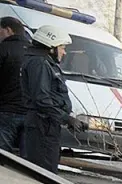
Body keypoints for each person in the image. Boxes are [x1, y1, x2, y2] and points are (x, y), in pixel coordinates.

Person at [20, 25, 83, 172]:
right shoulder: (40, 64)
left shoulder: (45, 63)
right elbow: (41, 100)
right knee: (44, 172)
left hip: (46, 124)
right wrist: (66, 118)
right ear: (50, 47)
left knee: (47, 168)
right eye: (62, 47)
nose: (64, 52)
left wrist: (67, 118)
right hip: (42, 124)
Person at [0, 16, 30, 153]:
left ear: (8, 30)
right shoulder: (34, 52)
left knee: (3, 153)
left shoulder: (3, 49)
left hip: (6, 110)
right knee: (26, 159)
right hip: (30, 113)